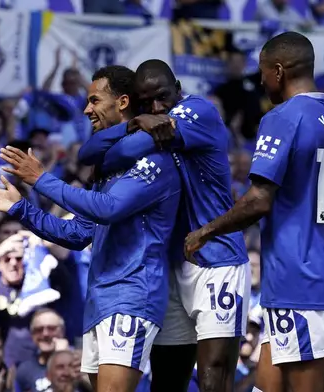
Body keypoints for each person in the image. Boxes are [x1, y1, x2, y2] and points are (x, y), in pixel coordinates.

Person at [184, 31, 324, 392]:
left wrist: (205, 231)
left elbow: (259, 199)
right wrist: (312, 193)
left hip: (297, 276)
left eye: (262, 72)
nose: (260, 81)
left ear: (278, 71)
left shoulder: (283, 117)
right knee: (266, 386)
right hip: (322, 275)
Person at [0, 65, 182, 392]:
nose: (86, 110)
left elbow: (110, 209)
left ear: (123, 101)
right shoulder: (106, 165)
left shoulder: (155, 158)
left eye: (94, 100)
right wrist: (20, 208)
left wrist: (41, 179)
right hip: (99, 299)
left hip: (132, 293)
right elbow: (79, 234)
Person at [75, 59, 250, 392]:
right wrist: (132, 125)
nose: (157, 107)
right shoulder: (150, 120)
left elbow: (119, 152)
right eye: (147, 103)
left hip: (215, 257)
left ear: (179, 91)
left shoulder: (199, 110)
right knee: (169, 380)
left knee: (214, 374)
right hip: (172, 262)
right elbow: (88, 153)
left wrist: (136, 130)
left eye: (163, 98)